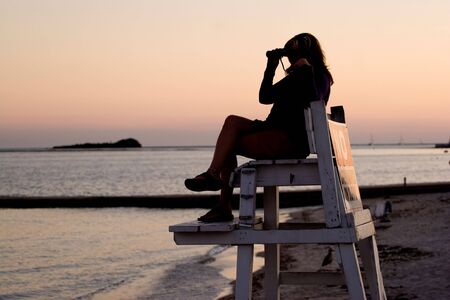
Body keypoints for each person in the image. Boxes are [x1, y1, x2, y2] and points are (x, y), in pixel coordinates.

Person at [185, 33, 333, 222]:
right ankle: (214, 181)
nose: (291, 61)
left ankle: (222, 201)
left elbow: (314, 99)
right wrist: (270, 67)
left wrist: (305, 69)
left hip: (289, 138)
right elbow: (265, 97)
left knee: (229, 143)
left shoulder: (319, 75)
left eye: (294, 56)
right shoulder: (297, 77)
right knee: (232, 123)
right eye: (289, 58)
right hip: (272, 129)